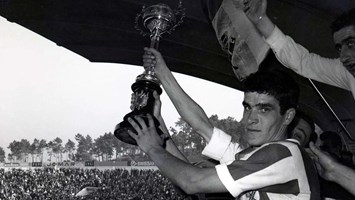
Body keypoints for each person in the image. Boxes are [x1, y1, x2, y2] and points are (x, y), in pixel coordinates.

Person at [127, 48, 320, 199]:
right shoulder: (255, 157)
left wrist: (152, 148)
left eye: (264, 109)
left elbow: (191, 182)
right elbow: (202, 125)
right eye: (247, 107)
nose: (250, 119)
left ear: (287, 116)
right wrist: (162, 75)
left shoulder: (282, 154)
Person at [243, 0, 355, 100]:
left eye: (351, 44)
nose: (343, 57)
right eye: (339, 48)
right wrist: (260, 20)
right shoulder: (346, 73)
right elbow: (303, 62)